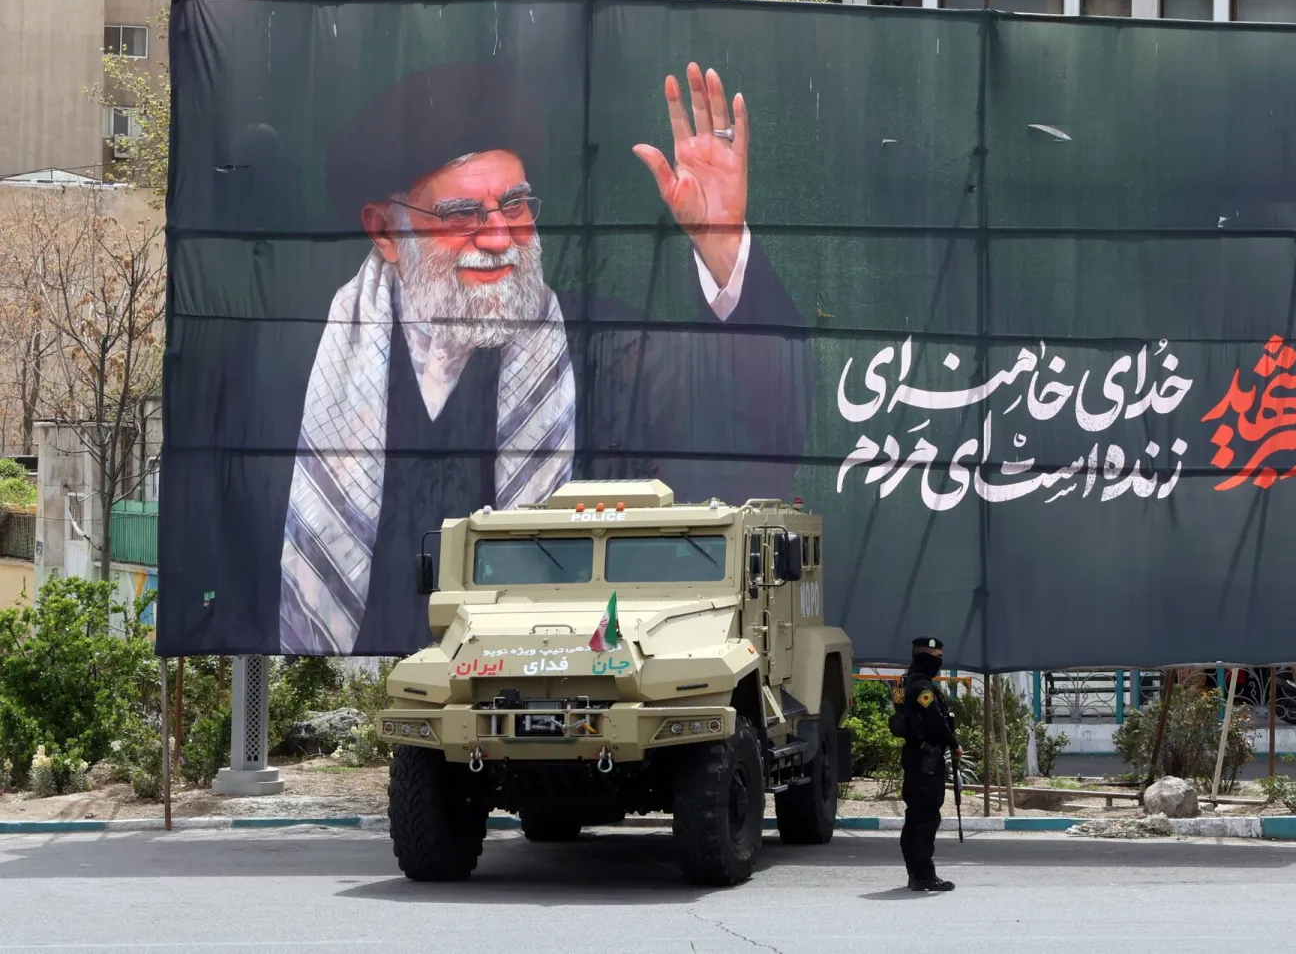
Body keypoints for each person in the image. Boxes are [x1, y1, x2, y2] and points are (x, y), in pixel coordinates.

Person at [161, 58, 811, 656]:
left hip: (574, 680)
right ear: (387, 232)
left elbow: (756, 438)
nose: (498, 235)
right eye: (462, 212)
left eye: (516, 205)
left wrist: (721, 245)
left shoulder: (611, 350)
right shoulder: (292, 368)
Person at [894, 636, 961, 892]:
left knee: (915, 816)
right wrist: (954, 744)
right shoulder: (922, 688)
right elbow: (934, 721)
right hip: (926, 760)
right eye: (936, 658)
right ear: (925, 657)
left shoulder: (904, 684)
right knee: (925, 817)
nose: (939, 663)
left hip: (914, 756)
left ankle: (916, 873)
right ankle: (923, 875)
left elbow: (901, 713)